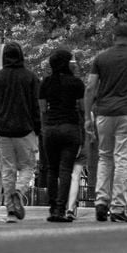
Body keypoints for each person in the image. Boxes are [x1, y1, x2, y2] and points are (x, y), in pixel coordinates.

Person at [83, 24, 127, 223]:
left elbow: (90, 88)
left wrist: (88, 116)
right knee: (122, 159)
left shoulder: (101, 58)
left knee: (105, 157)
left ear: (114, 37)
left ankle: (101, 202)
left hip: (103, 113)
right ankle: (117, 206)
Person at [0, 41, 42, 223]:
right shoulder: (30, 78)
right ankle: (19, 191)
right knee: (28, 166)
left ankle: (11, 211)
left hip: (2, 130)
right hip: (25, 129)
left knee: (7, 171)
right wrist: (38, 128)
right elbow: (36, 106)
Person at [39, 49, 85, 223]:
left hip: (50, 129)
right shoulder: (76, 83)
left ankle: (52, 208)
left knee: (52, 169)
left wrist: (44, 128)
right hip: (70, 128)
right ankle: (60, 208)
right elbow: (82, 108)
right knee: (66, 170)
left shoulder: (46, 83)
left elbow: (42, 109)